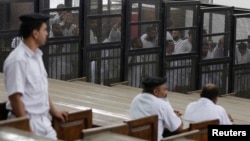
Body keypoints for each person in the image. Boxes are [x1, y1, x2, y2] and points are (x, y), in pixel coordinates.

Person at [3, 13, 68, 140]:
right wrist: (25, 127)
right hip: (26, 120)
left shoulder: (37, 55)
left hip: (43, 120)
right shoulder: (18, 60)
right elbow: (15, 97)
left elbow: (40, 89)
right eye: (44, 29)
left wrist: (54, 111)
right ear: (35, 33)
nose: (47, 33)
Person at [130, 76, 183, 141]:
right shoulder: (161, 104)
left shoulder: (136, 99)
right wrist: (177, 117)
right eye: (164, 89)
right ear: (156, 92)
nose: (166, 92)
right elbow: (179, 128)